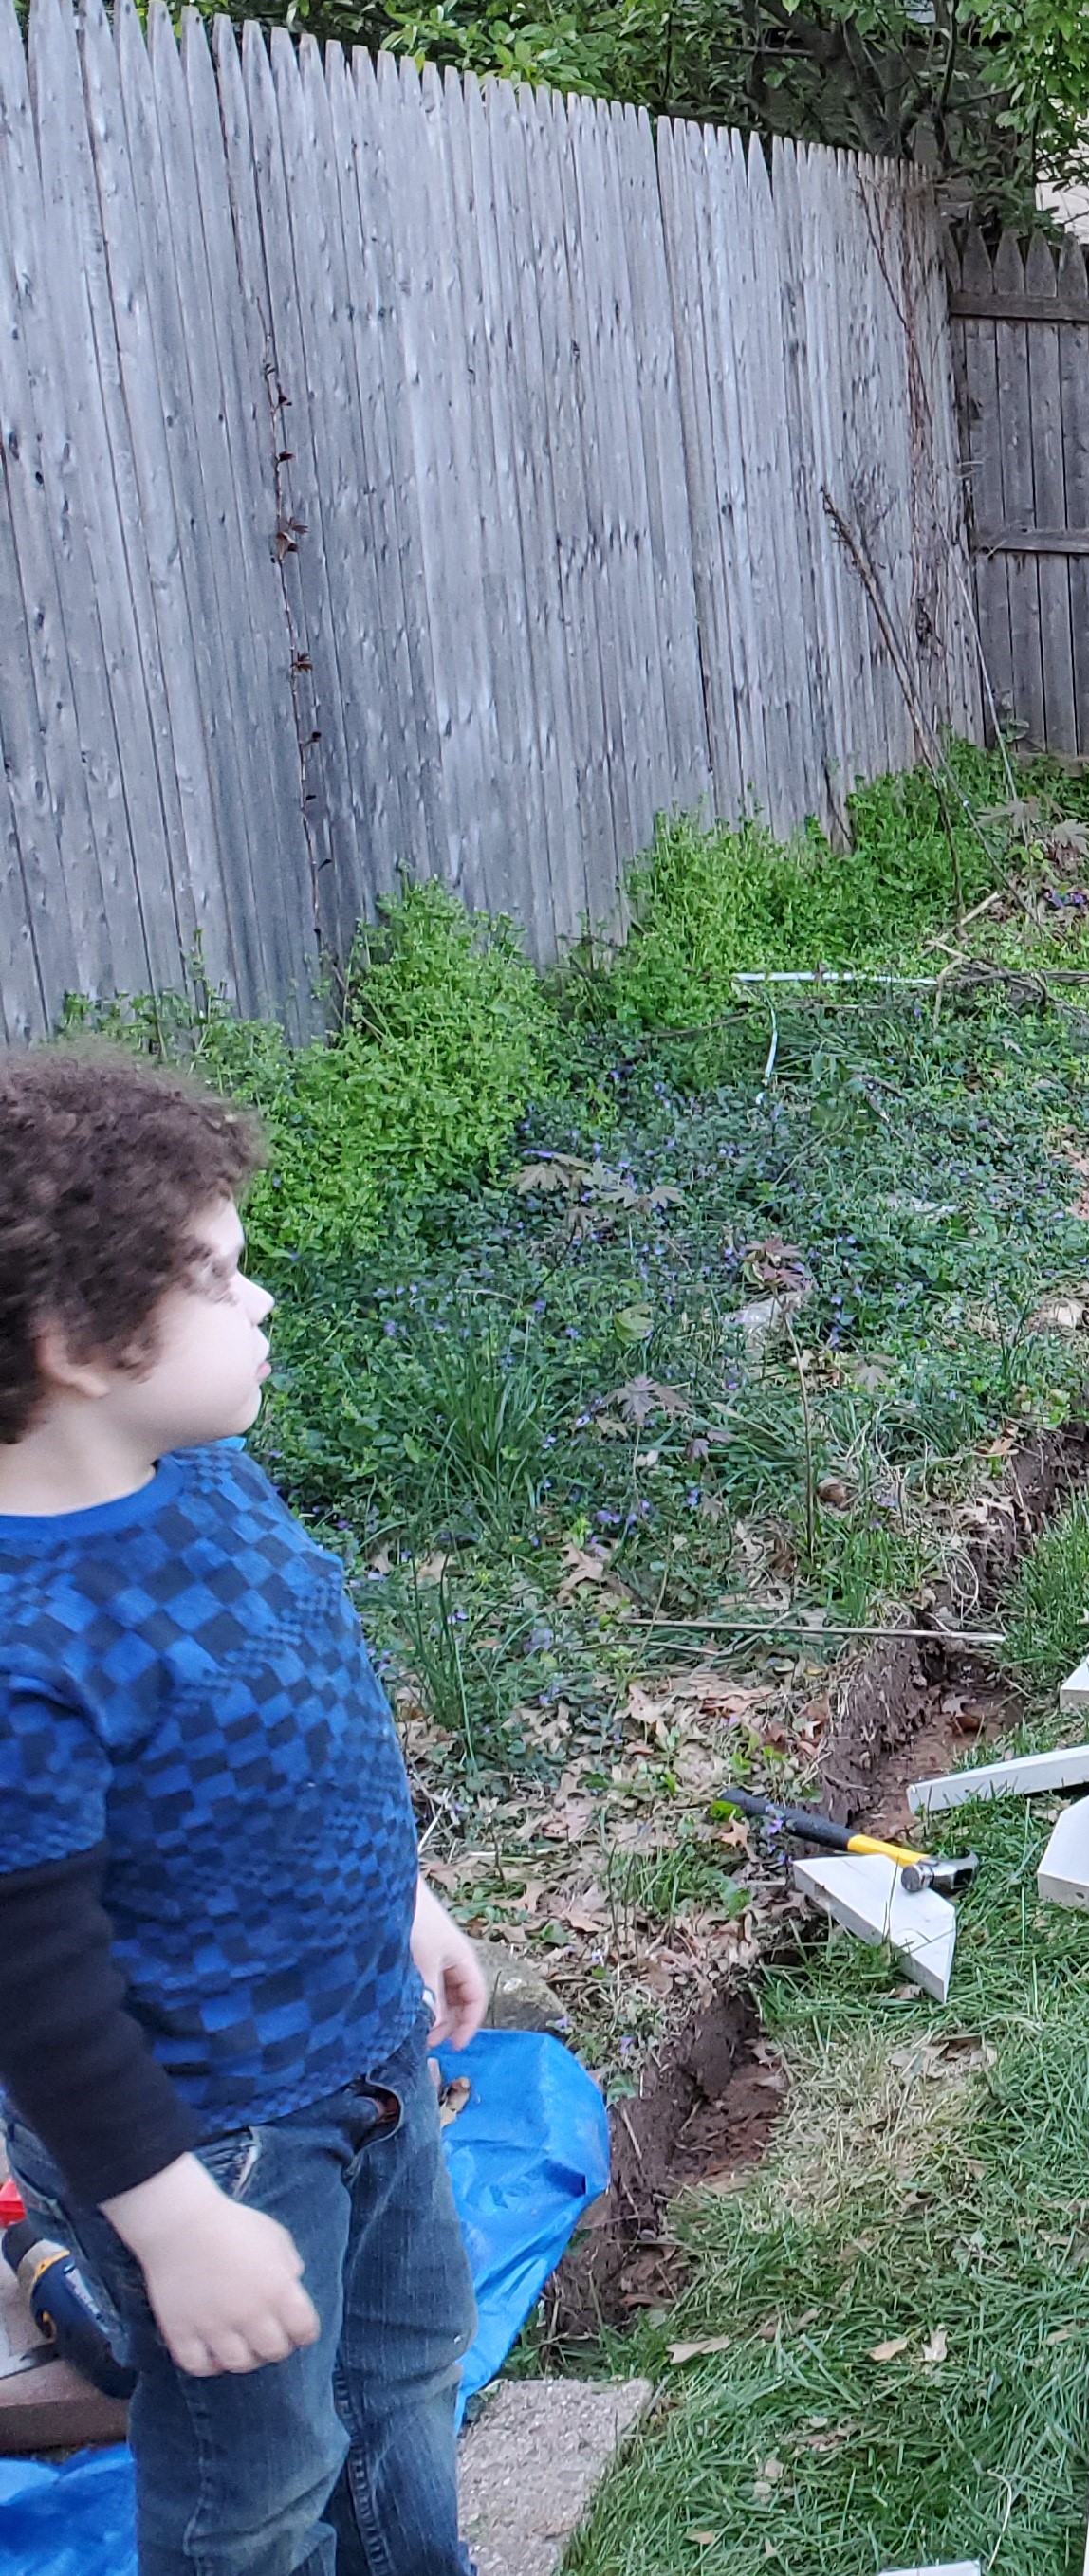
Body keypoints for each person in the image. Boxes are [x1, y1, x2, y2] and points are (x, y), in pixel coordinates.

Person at [0, 1047, 489, 2576]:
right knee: (257, 2485)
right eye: (214, 1277)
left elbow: (301, 1719)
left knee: (405, 2371)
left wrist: (400, 1899)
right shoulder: (26, 1646)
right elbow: (37, 1989)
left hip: (369, 2049)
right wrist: (170, 2224)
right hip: (216, 2144)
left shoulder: (200, 1473)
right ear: (79, 1338)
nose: (260, 1300)